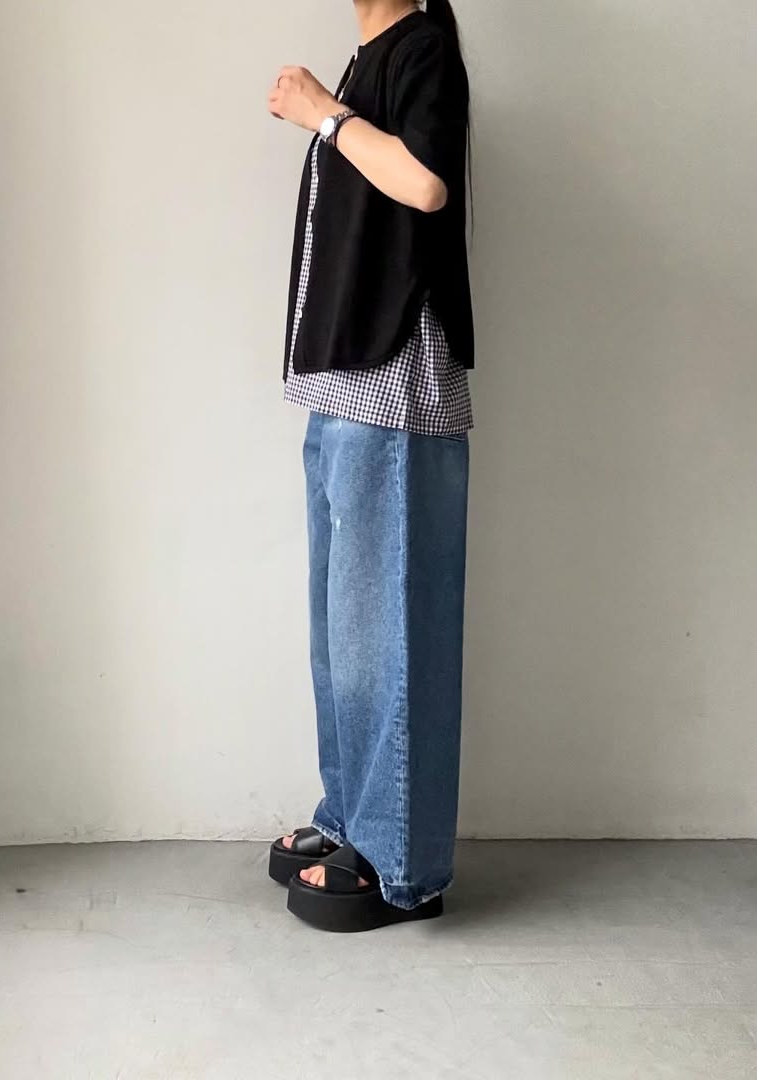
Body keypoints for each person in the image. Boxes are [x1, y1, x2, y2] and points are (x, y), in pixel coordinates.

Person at [266, 0, 474, 932]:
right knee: (344, 634)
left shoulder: (422, 48)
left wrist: (325, 114)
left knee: (390, 632)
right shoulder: (370, 59)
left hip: (395, 384)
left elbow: (425, 184)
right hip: (345, 382)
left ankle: (403, 869)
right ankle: (352, 819)